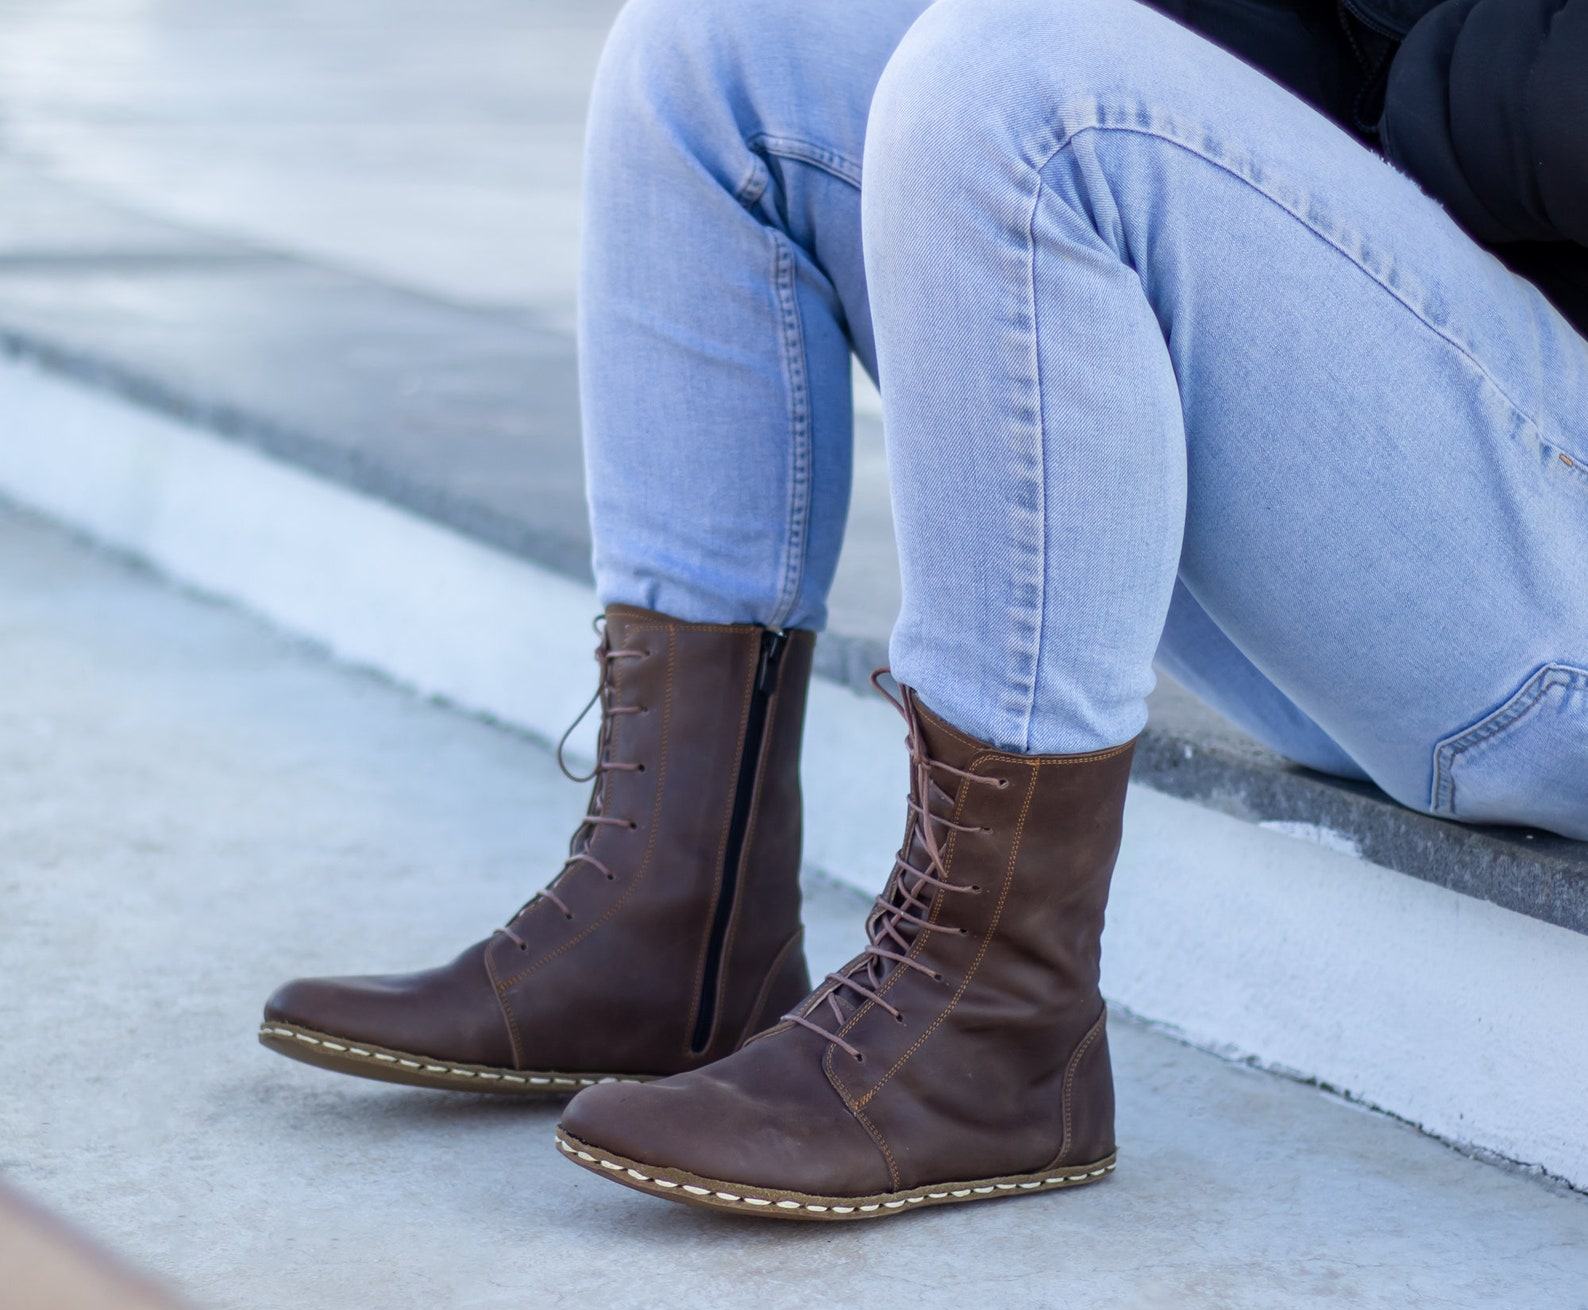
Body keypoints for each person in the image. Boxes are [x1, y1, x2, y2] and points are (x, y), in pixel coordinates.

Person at [260, 0, 1588, 1221]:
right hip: (1431, 541)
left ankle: (998, 1020)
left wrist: (1372, 65)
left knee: (1017, 85)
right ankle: (671, 917)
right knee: (726, 45)